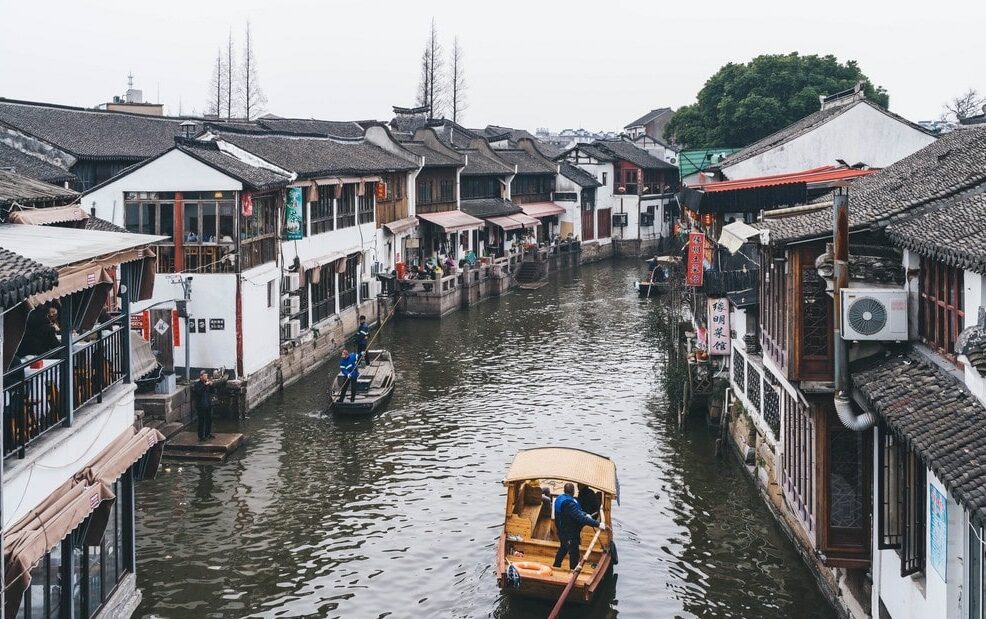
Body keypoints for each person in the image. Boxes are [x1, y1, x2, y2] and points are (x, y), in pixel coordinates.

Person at [552, 482, 604, 570]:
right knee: (574, 554)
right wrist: (598, 524)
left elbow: (577, 512)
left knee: (563, 548)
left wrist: (585, 514)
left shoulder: (560, 499)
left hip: (561, 531)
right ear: (573, 492)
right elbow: (580, 518)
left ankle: (556, 565)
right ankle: (573, 571)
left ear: (564, 490)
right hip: (569, 534)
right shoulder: (569, 504)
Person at [191, 371, 214, 441]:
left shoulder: (207, 384)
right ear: (201, 377)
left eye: (206, 376)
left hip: (208, 404)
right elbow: (199, 392)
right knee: (201, 421)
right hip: (200, 406)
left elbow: (212, 392)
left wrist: (211, 385)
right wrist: (205, 385)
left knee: (209, 420)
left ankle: (208, 433)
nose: (206, 377)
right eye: (204, 376)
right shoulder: (197, 385)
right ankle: (201, 436)